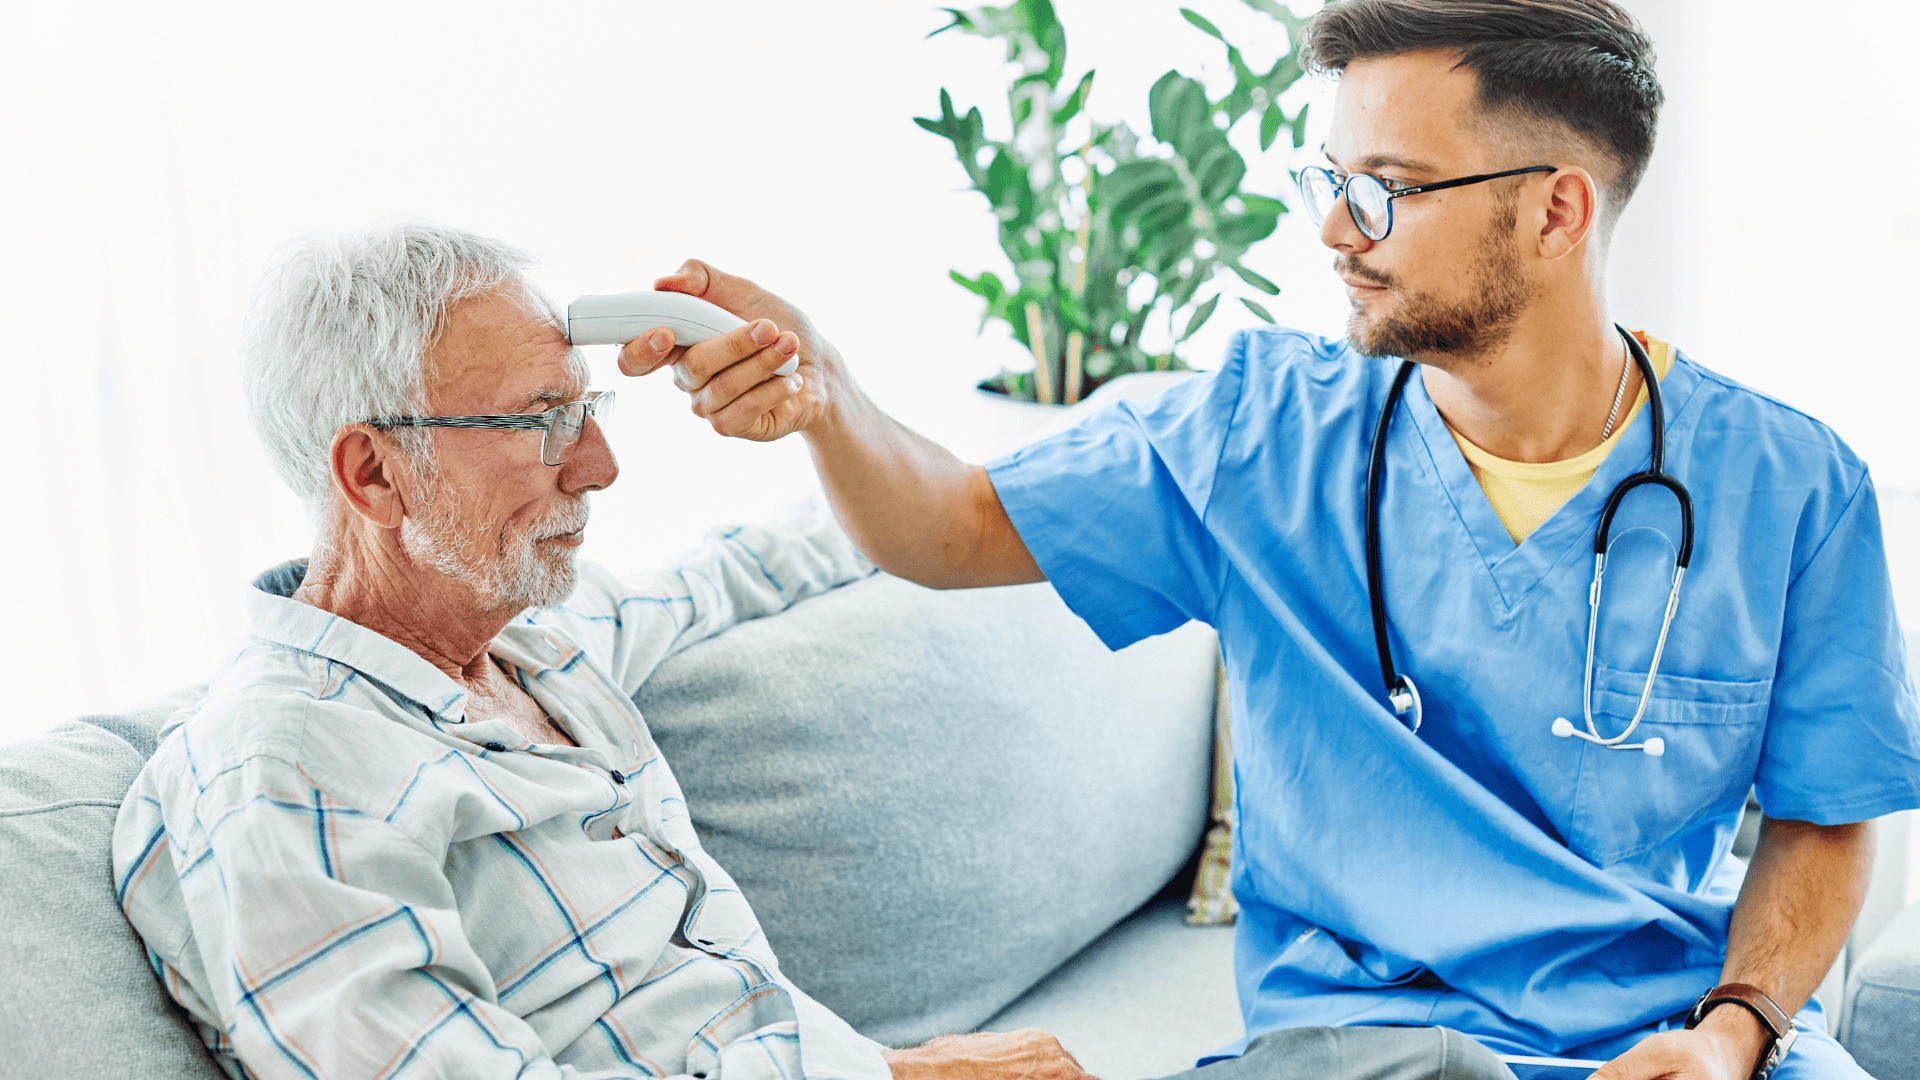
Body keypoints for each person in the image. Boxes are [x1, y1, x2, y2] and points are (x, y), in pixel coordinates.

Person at [620, 2, 1920, 1078]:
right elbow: (954, 524)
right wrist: (829, 398)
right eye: (1331, 182)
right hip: (1373, 1049)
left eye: (1385, 193)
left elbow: (1825, 813)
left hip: (1673, 1046)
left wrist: (1736, 1032)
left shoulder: (1791, 487)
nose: (1332, 232)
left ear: (1556, 213)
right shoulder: (1261, 433)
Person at [111, 224, 1093, 1080]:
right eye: (541, 422)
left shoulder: (538, 648)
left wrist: (833, 403)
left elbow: (737, 569)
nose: (600, 467)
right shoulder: (285, 774)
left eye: (588, 413)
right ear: (375, 473)